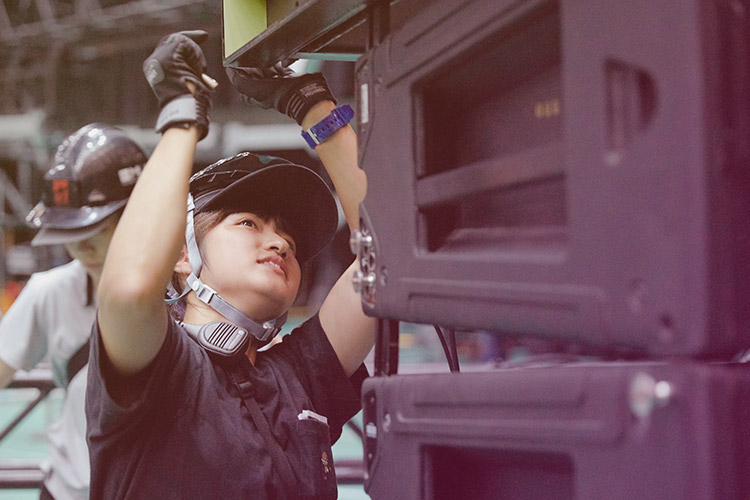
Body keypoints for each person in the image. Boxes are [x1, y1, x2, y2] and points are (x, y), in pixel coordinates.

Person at [85, 30, 375, 498]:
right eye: (248, 224)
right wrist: (182, 114)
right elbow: (130, 290)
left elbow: (389, 249)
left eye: (290, 238)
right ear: (183, 256)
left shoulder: (302, 376)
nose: (279, 242)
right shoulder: (158, 368)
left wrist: (311, 104)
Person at [0, 123, 146, 500]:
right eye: (69, 232)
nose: (82, 247)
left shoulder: (190, 292)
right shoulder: (49, 292)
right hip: (67, 491)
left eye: (97, 229)